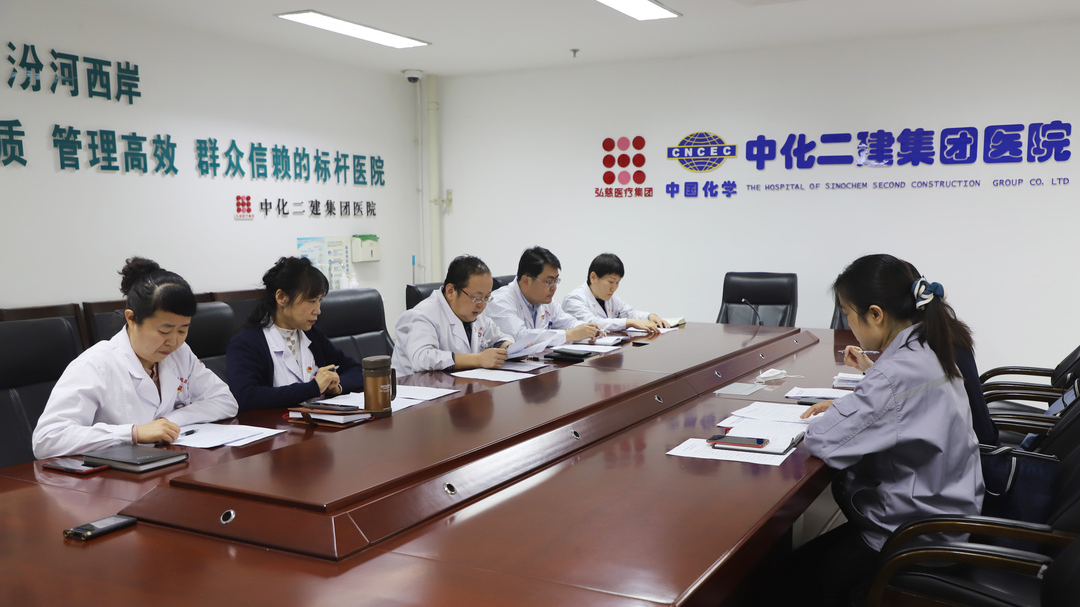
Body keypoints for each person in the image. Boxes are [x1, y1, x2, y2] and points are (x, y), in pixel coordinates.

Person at [787, 254, 984, 607]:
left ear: (876, 314)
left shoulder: (897, 374)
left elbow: (823, 439)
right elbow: (900, 403)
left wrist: (853, 405)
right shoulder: (930, 345)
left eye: (848, 314)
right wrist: (864, 392)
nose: (849, 324)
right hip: (946, 515)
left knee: (785, 580)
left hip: (913, 537)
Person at [32, 257, 238, 459]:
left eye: (183, 330)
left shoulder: (180, 353)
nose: (174, 341)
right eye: (164, 331)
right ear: (131, 318)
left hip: (167, 462)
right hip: (114, 476)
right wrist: (132, 433)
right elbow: (47, 439)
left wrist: (170, 421)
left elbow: (224, 401)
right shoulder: (96, 364)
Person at [226, 256, 363, 411]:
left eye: (319, 301)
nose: (318, 310)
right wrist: (313, 387)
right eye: (311, 301)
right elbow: (245, 397)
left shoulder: (312, 335)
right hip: (277, 424)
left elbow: (357, 371)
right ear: (281, 297)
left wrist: (336, 387)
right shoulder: (247, 342)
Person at [392, 255, 513, 377]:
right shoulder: (421, 316)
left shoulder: (475, 313)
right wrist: (478, 359)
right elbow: (422, 358)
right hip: (417, 386)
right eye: (477, 298)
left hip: (459, 383)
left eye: (486, 298)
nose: (482, 305)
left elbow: (497, 338)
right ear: (451, 291)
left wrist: (511, 349)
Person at [486, 246, 601, 347]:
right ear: (526, 281)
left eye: (556, 281)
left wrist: (588, 328)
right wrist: (568, 335)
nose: (554, 287)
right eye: (549, 282)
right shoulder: (500, 301)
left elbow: (568, 323)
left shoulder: (545, 301)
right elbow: (520, 337)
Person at [561, 253, 669, 334]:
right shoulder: (574, 299)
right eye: (611, 282)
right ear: (593, 277)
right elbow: (592, 323)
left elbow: (630, 313)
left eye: (617, 282)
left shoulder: (610, 299)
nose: (614, 288)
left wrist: (650, 316)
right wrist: (628, 322)